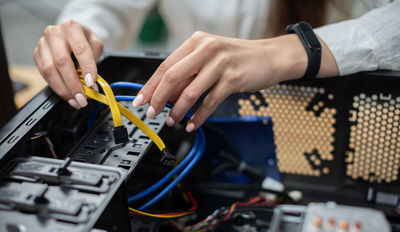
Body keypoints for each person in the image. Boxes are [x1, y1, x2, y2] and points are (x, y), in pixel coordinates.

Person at [33, 0, 400, 133]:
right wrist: (79, 28)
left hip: (341, 114)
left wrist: (291, 52)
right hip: (208, 117)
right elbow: (106, 7)